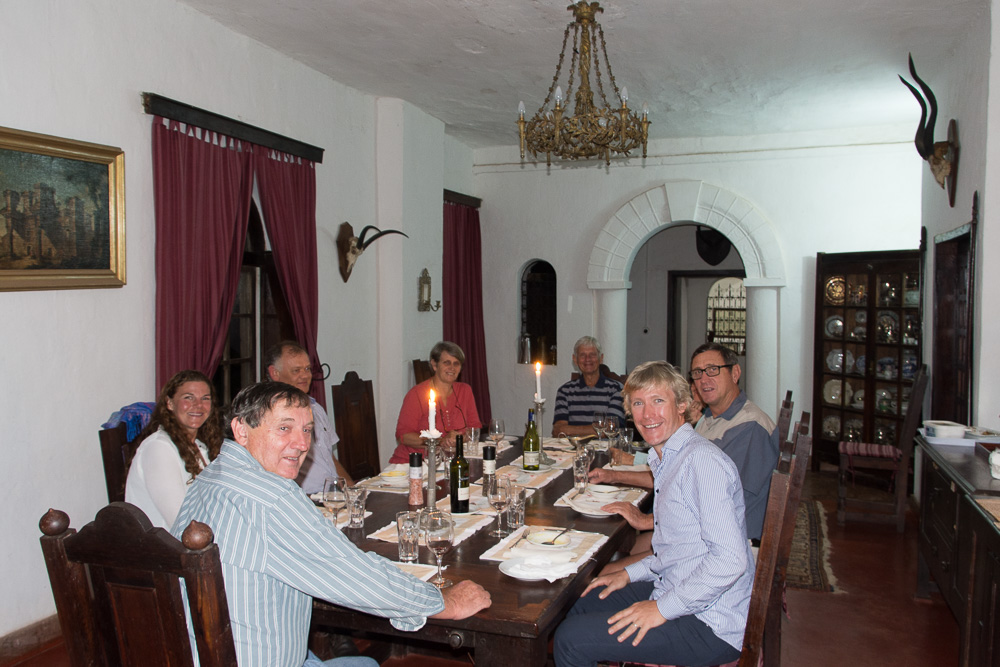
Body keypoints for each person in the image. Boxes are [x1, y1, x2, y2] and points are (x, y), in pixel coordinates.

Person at [171, 381, 492, 667]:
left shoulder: (207, 479)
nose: (301, 444)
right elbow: (357, 577)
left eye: (307, 430)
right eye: (285, 428)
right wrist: (443, 601)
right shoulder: (272, 498)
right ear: (241, 430)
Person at [553, 361, 753, 667]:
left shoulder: (702, 462)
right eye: (638, 404)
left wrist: (660, 609)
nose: (647, 414)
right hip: (676, 585)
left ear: (683, 405)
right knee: (580, 603)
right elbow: (675, 550)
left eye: (658, 401)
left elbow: (731, 560)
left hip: (710, 623)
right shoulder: (669, 460)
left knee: (571, 639)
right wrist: (628, 573)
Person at [689, 342, 779, 543]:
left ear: (735, 373)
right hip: (711, 527)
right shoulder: (711, 417)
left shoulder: (749, 427)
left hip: (731, 540)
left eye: (712, 370)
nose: (704, 379)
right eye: (697, 373)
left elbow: (722, 498)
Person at [125, 370, 223, 529]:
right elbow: (181, 521)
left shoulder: (200, 446)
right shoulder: (158, 449)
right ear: (170, 403)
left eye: (205, 398)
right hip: (165, 547)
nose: (198, 405)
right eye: (188, 398)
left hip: (195, 540)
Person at [265, 341, 352, 492]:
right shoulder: (270, 415)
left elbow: (328, 456)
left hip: (333, 493)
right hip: (304, 497)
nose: (304, 375)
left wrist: (350, 486)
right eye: (296, 370)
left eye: (307, 369)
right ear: (275, 373)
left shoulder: (316, 408)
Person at [390, 341, 481, 464]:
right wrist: (440, 441)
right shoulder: (417, 394)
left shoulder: (465, 390)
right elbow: (403, 436)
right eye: (446, 363)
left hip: (450, 461)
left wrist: (458, 438)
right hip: (413, 463)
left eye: (456, 364)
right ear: (434, 365)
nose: (452, 368)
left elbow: (474, 429)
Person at [552, 336, 626, 437]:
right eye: (582, 355)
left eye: (592, 354)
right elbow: (558, 431)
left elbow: (611, 429)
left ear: (601, 358)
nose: (588, 359)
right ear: (575, 360)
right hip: (573, 451)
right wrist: (598, 429)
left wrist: (569, 430)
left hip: (606, 451)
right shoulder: (564, 391)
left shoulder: (617, 389)